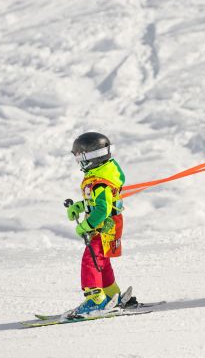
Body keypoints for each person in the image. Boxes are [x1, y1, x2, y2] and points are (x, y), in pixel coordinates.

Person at [65, 132, 133, 316]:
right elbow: (97, 203)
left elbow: (102, 210)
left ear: (92, 157)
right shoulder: (100, 175)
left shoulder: (100, 183)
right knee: (101, 260)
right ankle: (112, 295)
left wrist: (85, 226)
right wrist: (79, 207)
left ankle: (95, 299)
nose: (78, 161)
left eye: (80, 156)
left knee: (91, 259)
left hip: (104, 227)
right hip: (109, 226)